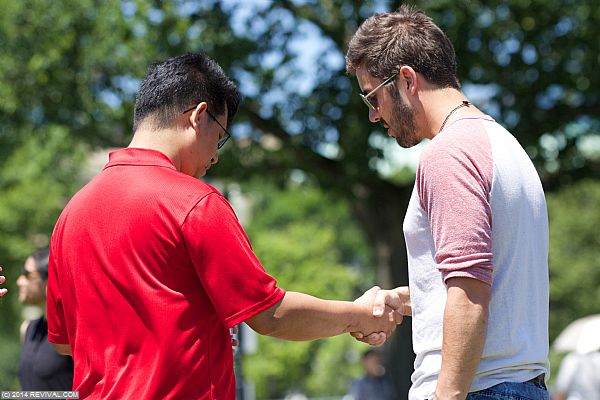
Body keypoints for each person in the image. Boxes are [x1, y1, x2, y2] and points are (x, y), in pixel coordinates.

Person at [46, 52, 400, 400]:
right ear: (199, 117)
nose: (215, 156)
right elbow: (272, 316)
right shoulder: (193, 202)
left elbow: (64, 342)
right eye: (220, 137)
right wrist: (359, 315)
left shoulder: (70, 216)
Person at [345, 5, 550, 400]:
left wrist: (447, 395)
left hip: (475, 390)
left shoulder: (449, 154)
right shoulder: (505, 146)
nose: (373, 116)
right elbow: (493, 282)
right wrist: (407, 299)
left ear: (406, 80)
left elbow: (470, 292)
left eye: (372, 97)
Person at [16, 248, 74, 391]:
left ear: (50, 279)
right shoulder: (27, 329)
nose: (19, 281)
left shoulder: (72, 331)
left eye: (27, 274)